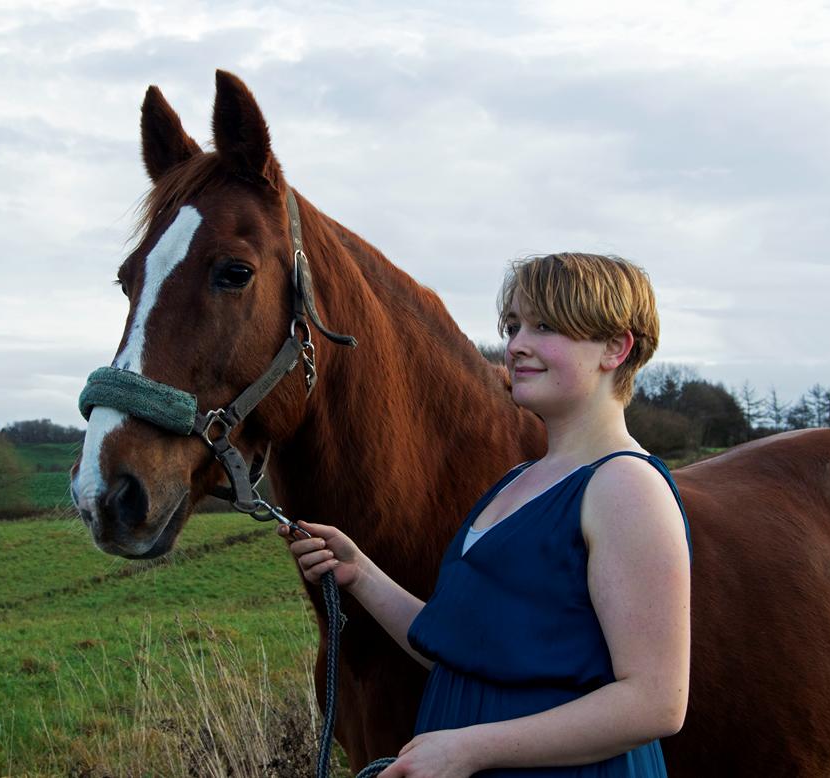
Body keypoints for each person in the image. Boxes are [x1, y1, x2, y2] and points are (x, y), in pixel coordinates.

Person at [279, 253, 692, 777]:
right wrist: (358, 572)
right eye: (515, 325)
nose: (517, 344)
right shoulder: (517, 482)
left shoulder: (626, 486)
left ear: (616, 347)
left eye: (546, 327)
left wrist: (466, 750)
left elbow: (655, 702)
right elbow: (457, 651)